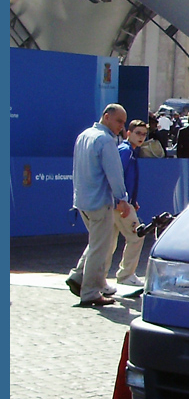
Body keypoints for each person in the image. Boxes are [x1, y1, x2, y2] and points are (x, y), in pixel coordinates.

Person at [65, 104, 132, 307]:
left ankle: (78, 276)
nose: (121, 127)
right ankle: (90, 292)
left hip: (83, 200)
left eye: (123, 122)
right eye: (119, 121)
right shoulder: (105, 140)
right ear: (106, 117)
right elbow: (114, 173)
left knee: (97, 243)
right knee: (100, 248)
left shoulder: (84, 135)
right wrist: (122, 199)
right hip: (99, 201)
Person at [112, 120, 148, 287]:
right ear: (128, 133)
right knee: (136, 236)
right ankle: (126, 275)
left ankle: (83, 275)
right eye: (138, 133)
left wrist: (132, 201)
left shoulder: (130, 152)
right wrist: (122, 201)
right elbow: (116, 177)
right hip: (120, 205)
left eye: (143, 134)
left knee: (107, 242)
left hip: (122, 203)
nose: (141, 137)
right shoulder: (126, 152)